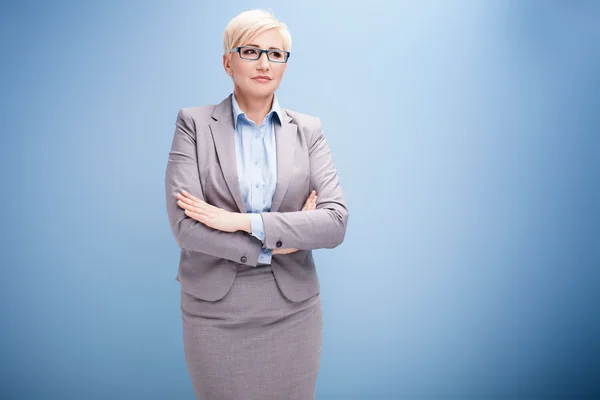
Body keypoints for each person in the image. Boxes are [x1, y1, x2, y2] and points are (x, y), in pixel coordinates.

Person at [164, 9, 349, 400]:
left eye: (275, 53)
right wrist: (284, 236)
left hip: (293, 309)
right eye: (251, 51)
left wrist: (241, 222)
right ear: (227, 61)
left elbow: (333, 223)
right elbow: (186, 226)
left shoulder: (309, 130)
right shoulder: (193, 125)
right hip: (214, 311)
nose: (265, 63)